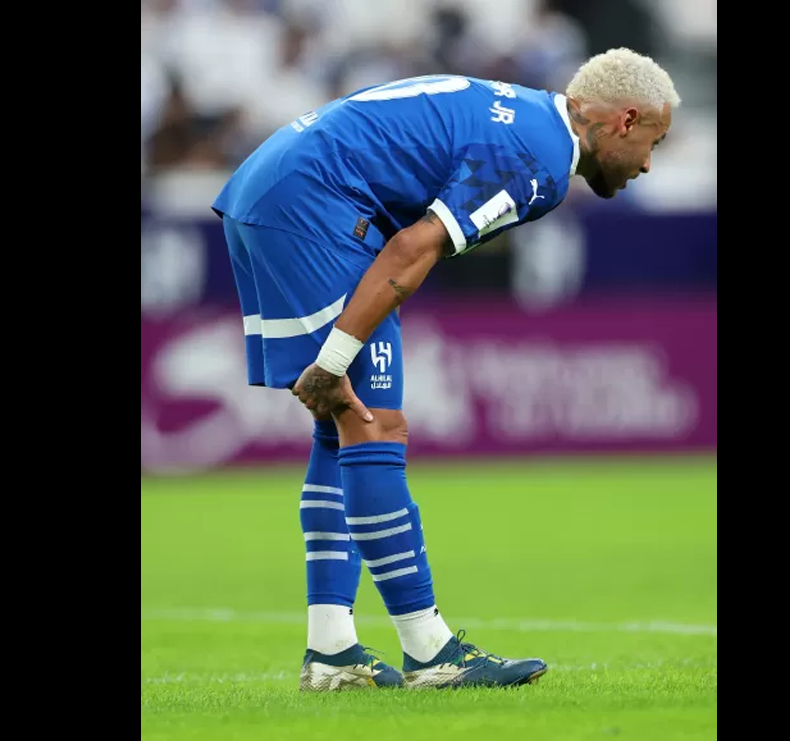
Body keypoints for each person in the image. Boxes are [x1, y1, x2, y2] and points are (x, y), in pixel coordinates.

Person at [212, 48, 680, 691]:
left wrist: (335, 367)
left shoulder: (522, 116)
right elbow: (413, 248)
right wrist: (337, 357)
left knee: (342, 425)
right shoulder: (540, 159)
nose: (649, 163)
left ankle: (331, 649)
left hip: (274, 188)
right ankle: (432, 651)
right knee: (374, 425)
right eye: (655, 140)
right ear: (625, 121)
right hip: (316, 205)